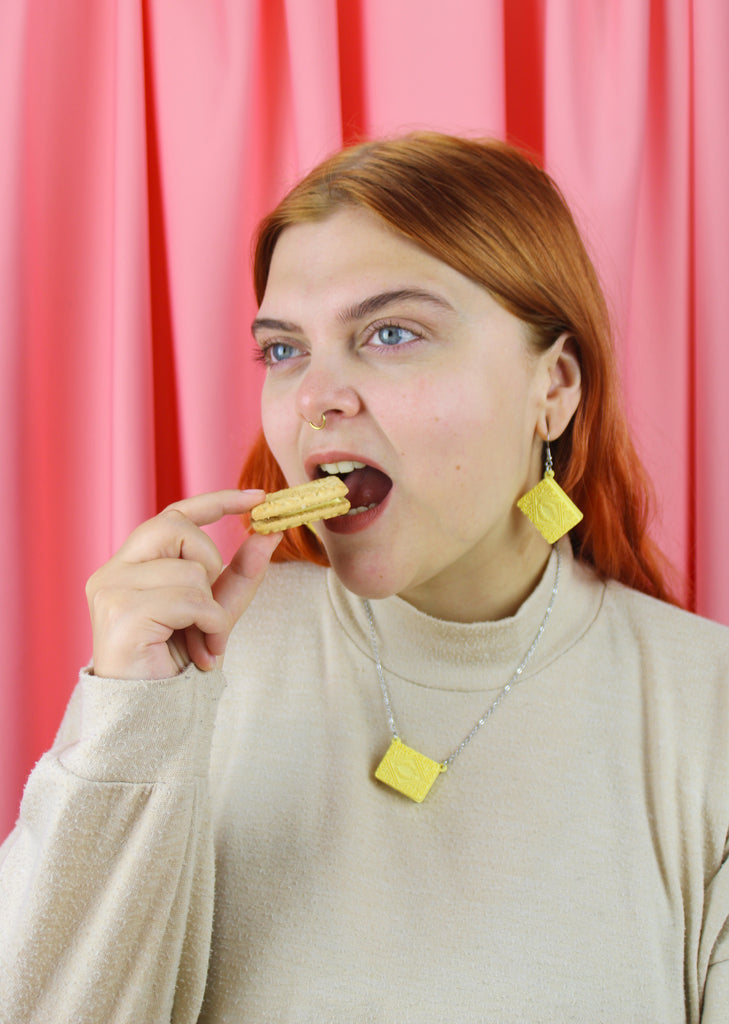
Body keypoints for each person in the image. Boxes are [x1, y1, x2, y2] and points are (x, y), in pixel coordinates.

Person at [1, 133, 727, 1023]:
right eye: (282, 351)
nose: (313, 398)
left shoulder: (705, 708)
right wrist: (129, 722)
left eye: (390, 333)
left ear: (554, 388)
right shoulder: (195, 672)